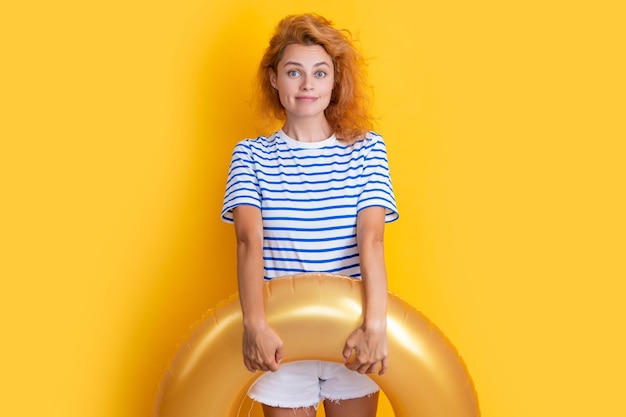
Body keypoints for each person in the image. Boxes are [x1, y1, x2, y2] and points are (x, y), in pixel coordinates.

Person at [221, 13, 399, 417]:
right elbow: (248, 241)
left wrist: (375, 325)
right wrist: (254, 325)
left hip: (351, 329)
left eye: (320, 73)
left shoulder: (368, 149)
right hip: (281, 336)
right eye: (294, 72)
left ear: (335, 81)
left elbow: (371, 239)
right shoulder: (250, 155)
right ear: (274, 79)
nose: (307, 85)